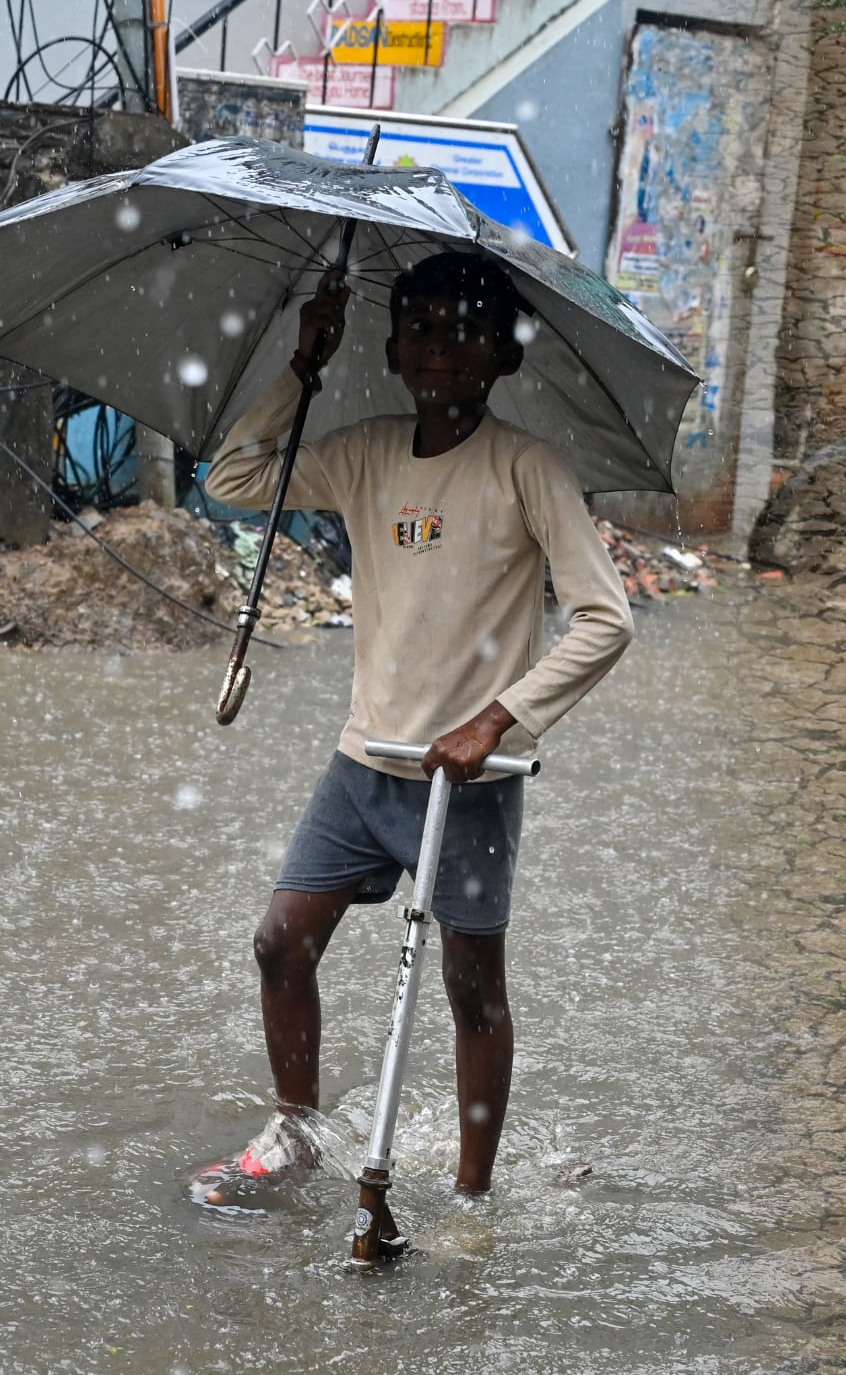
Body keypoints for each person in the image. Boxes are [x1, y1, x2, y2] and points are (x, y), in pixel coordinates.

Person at [194, 251, 634, 1202]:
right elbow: (234, 478)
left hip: (467, 780)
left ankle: (473, 1194)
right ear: (392, 346)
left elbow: (608, 618)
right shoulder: (363, 452)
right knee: (281, 942)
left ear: (502, 356)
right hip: (364, 763)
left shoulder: (528, 468)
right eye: (423, 329)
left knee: (472, 992)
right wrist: (301, 369)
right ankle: (301, 1129)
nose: (442, 348)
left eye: (467, 331)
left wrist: (499, 720)